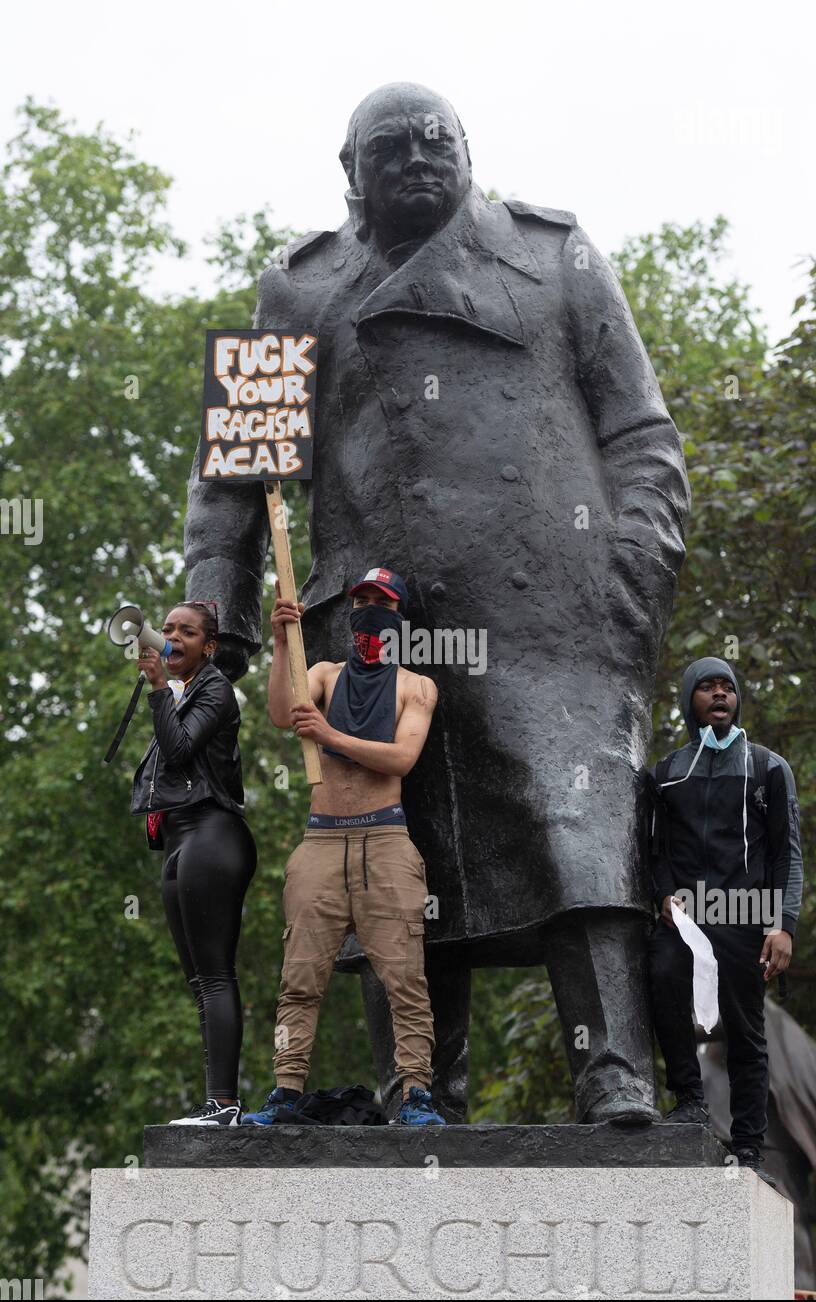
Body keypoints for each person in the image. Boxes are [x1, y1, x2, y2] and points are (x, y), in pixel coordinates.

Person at [184, 81, 690, 1124]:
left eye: (435, 141)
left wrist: (629, 574)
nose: (416, 159)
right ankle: (419, 1089)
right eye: (389, 147)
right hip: (374, 619)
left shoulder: (554, 257)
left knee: (575, 829)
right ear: (349, 172)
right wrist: (214, 626)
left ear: (467, 149)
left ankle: (613, 1080)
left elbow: (641, 434)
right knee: (388, 856)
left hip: (551, 613)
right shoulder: (295, 290)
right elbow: (236, 476)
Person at [242, 566, 445, 1127]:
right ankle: (285, 1091)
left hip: (385, 838)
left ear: (399, 615)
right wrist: (282, 643)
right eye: (359, 599)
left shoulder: (416, 686)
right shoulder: (327, 673)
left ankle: (416, 1096)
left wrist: (329, 736)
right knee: (299, 977)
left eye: (379, 601)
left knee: (405, 978)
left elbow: (402, 759)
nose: (367, 610)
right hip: (321, 840)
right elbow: (285, 713)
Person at [647, 656, 803, 1175]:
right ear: (690, 701)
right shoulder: (666, 774)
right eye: (707, 688)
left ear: (737, 700)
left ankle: (749, 1147)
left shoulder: (767, 766)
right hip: (687, 917)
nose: (719, 695)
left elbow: (787, 853)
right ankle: (689, 1100)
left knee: (745, 1031)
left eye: (727, 688)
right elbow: (654, 851)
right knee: (663, 975)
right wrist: (665, 894)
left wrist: (782, 924)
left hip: (747, 913)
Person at [130, 601, 257, 1126]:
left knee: (215, 974)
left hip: (213, 834)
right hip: (183, 839)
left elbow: (180, 753)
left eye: (185, 631)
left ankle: (225, 1102)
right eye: (165, 629)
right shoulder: (181, 694)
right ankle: (216, 1102)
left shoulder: (214, 687)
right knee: (200, 982)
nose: (170, 636)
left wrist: (159, 687)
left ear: (208, 646)